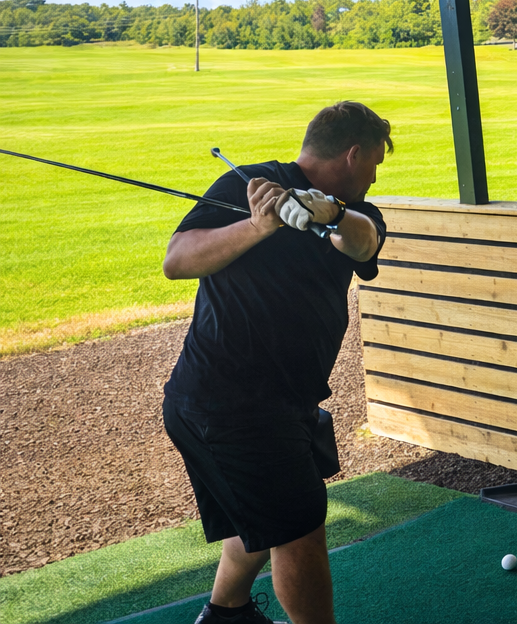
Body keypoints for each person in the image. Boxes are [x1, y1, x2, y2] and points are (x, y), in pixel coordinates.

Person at [161, 102, 392, 624]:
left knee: (269, 514)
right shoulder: (248, 186)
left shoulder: (356, 209)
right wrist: (258, 226)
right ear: (353, 154)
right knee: (298, 531)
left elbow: (363, 244)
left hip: (286, 402)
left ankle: (227, 613)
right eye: (375, 163)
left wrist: (328, 212)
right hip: (229, 403)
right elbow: (177, 260)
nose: (375, 176)